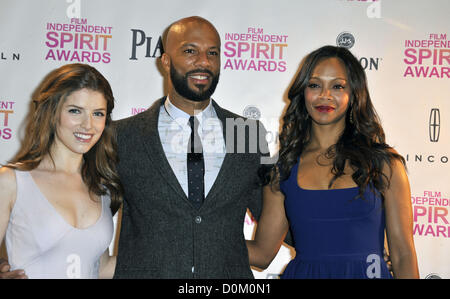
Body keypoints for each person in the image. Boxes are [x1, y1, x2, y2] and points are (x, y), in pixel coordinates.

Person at [112, 16, 268, 278]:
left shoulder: (247, 133)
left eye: (213, 53)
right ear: (165, 61)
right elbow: (86, 221)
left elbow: (278, 212)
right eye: (189, 51)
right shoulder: (121, 136)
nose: (204, 62)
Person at [247, 45, 419, 278]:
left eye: (337, 86)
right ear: (303, 92)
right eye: (315, 85)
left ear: (354, 94)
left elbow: (403, 255)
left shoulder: (385, 165)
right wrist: (198, 232)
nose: (324, 95)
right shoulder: (283, 169)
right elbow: (262, 254)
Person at [0, 63, 122, 279]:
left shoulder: (102, 188)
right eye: (75, 111)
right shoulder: (12, 182)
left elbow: (101, 269)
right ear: (52, 112)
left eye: (98, 114)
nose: (88, 125)